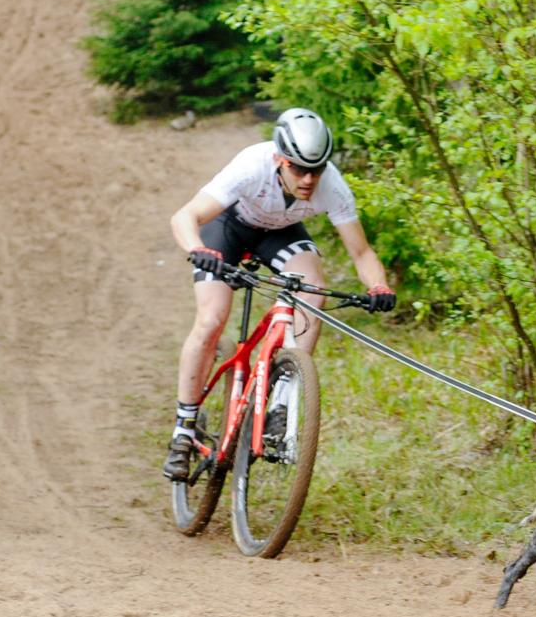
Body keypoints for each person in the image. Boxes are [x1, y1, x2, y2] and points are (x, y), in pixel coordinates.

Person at [163, 107, 396, 481]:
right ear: (278, 159)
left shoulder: (332, 184)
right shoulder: (251, 166)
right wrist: (198, 249)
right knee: (211, 320)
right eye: (298, 169)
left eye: (316, 170)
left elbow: (361, 252)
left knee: (312, 293)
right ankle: (183, 429)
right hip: (228, 229)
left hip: (280, 234)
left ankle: (281, 403)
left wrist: (378, 286)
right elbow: (185, 216)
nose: (308, 179)